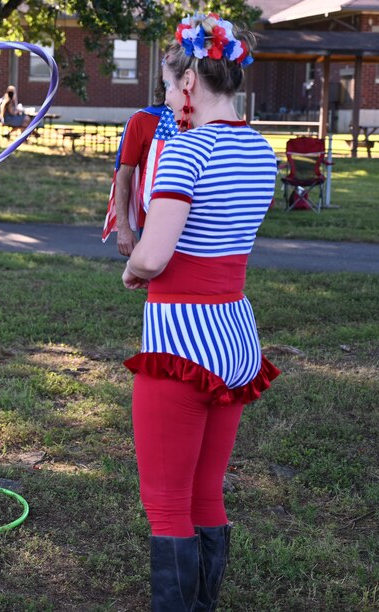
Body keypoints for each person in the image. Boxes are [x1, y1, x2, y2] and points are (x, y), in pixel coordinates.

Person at [121, 15, 280, 611]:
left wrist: (133, 265)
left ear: (189, 81)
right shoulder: (259, 149)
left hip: (182, 341)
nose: (165, 100)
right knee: (205, 491)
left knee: (165, 500)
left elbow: (155, 255)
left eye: (166, 86)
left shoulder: (187, 150)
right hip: (236, 336)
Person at [102, 77, 169, 255]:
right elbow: (124, 175)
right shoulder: (142, 120)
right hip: (151, 221)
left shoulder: (202, 123)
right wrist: (123, 227)